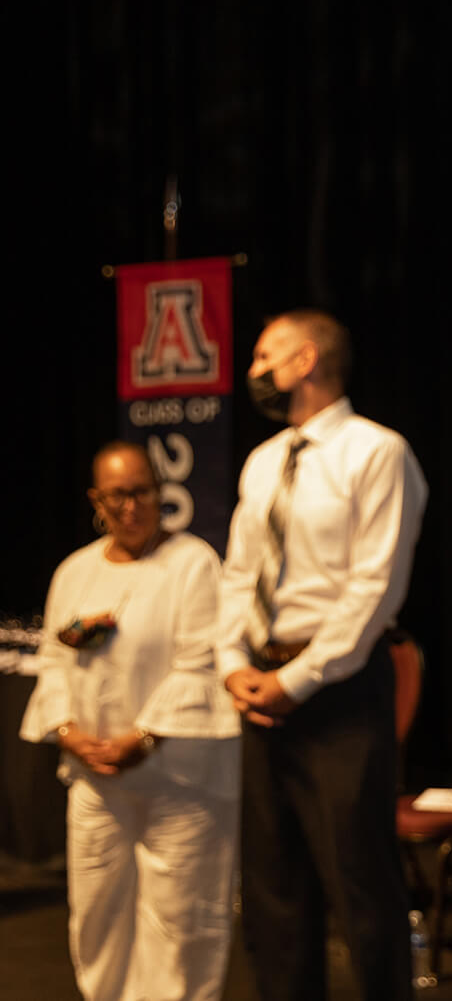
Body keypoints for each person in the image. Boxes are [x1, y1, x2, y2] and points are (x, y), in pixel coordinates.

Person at [216, 309, 427, 1001]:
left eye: (263, 355)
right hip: (262, 684)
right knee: (274, 890)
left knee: (359, 884)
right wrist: (233, 665)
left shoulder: (376, 451)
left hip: (336, 692)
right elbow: (239, 574)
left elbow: (375, 585)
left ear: (306, 359)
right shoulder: (264, 459)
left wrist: (297, 680)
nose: (254, 371)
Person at [19, 441, 240, 1001]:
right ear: (97, 499)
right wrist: (69, 733)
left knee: (182, 923)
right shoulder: (75, 571)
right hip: (96, 778)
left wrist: (143, 738)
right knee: (97, 916)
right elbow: (53, 662)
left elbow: (201, 663)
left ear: (161, 491)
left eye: (143, 492)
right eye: (117, 496)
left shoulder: (193, 563)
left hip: (182, 779)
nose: (132, 507)